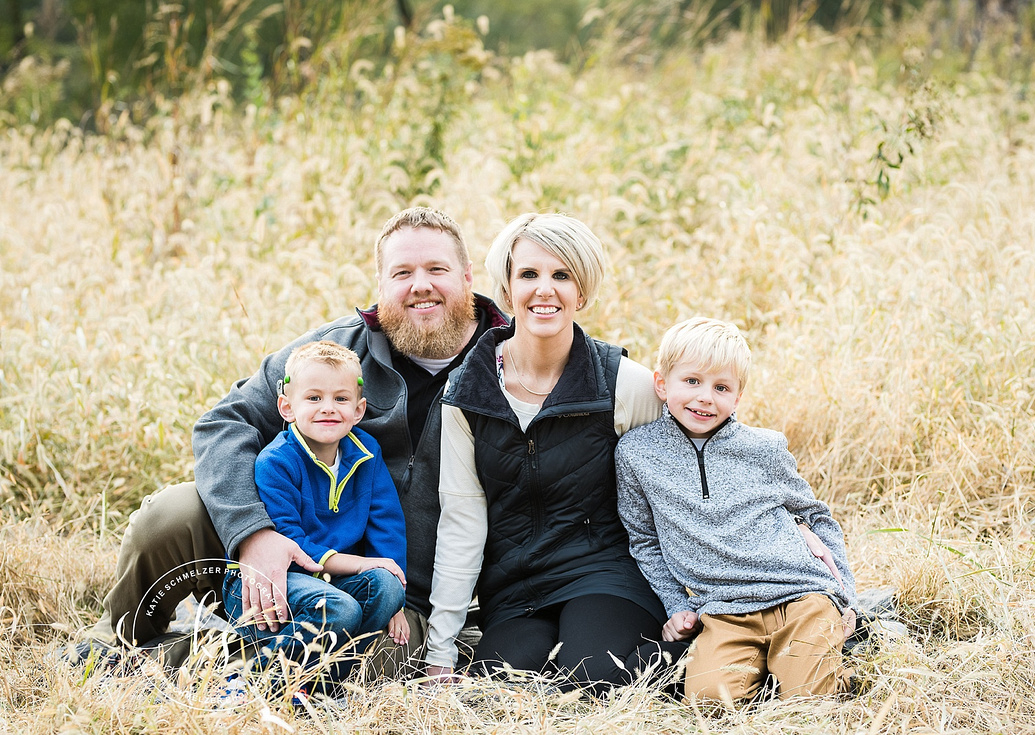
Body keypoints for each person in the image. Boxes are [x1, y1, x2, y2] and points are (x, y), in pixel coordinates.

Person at [71, 207, 508, 676]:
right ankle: (113, 638)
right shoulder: (337, 351)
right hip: (288, 545)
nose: (420, 285)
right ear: (381, 288)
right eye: (402, 273)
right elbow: (225, 422)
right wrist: (254, 535)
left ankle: (145, 665)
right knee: (168, 516)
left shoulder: (509, 367)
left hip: (402, 593)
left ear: (466, 278)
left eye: (436, 270)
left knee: (348, 666)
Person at [422, 212, 671, 693]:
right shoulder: (467, 392)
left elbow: (690, 468)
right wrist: (440, 652)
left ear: (583, 291)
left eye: (562, 276)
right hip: (516, 590)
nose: (545, 290)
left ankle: (701, 653)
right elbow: (462, 519)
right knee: (498, 684)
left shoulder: (623, 383)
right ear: (507, 286)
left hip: (604, 575)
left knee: (593, 677)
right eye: (529, 274)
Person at [615, 317, 858, 703]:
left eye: (721, 387)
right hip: (722, 610)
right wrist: (677, 605)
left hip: (799, 595)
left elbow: (817, 518)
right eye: (692, 381)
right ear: (661, 384)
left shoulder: (765, 448)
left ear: (738, 397)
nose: (705, 397)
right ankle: (780, 668)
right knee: (709, 701)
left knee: (809, 700)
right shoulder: (635, 453)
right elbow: (644, 541)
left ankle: (825, 661)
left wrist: (848, 600)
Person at [221, 340, 407, 680]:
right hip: (274, 581)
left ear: (359, 409)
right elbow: (291, 543)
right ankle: (247, 675)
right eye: (313, 398)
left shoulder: (367, 452)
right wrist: (362, 563)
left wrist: (397, 601)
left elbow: (387, 524)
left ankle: (322, 682)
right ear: (287, 407)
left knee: (387, 588)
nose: (328, 408)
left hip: (333, 581)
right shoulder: (276, 462)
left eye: (340, 398)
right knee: (340, 608)